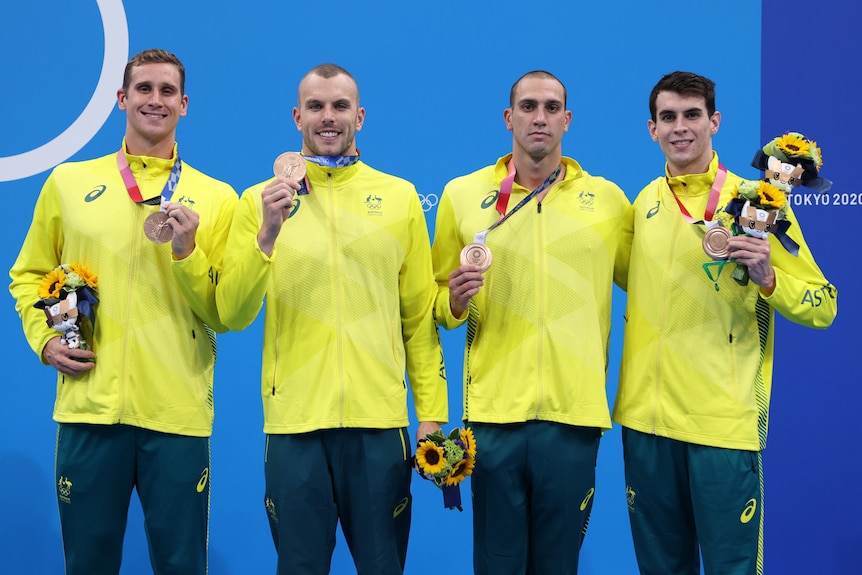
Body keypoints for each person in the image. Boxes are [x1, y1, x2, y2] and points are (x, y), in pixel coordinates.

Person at [8, 48, 237, 575]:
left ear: (185, 104)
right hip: (89, 411)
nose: (154, 100)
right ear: (121, 99)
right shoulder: (68, 183)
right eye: (143, 89)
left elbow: (224, 309)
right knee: (87, 565)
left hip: (175, 415)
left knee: (182, 567)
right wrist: (44, 341)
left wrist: (188, 252)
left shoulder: (217, 198)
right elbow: (27, 274)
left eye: (166, 92)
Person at [216, 63, 448, 574]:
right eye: (316, 106)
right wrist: (267, 237)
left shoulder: (400, 197)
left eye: (340, 106)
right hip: (295, 427)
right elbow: (231, 313)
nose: (328, 117)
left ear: (359, 116)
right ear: (297, 116)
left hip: (379, 427)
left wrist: (430, 414)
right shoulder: (257, 202)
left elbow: (417, 321)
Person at [612, 71, 837, 575]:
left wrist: (768, 277)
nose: (680, 127)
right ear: (652, 129)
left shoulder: (759, 203)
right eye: (668, 117)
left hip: (722, 425)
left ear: (714, 121)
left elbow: (824, 305)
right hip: (645, 425)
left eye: (693, 115)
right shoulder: (643, 202)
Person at [431, 70, 632, 574]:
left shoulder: (608, 200)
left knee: (558, 565)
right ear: (508, 118)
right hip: (494, 419)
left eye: (550, 107)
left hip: (574, 418)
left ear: (567, 119)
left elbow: (651, 283)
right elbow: (434, 302)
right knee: (497, 564)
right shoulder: (460, 194)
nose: (538, 117)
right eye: (527, 106)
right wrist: (453, 302)